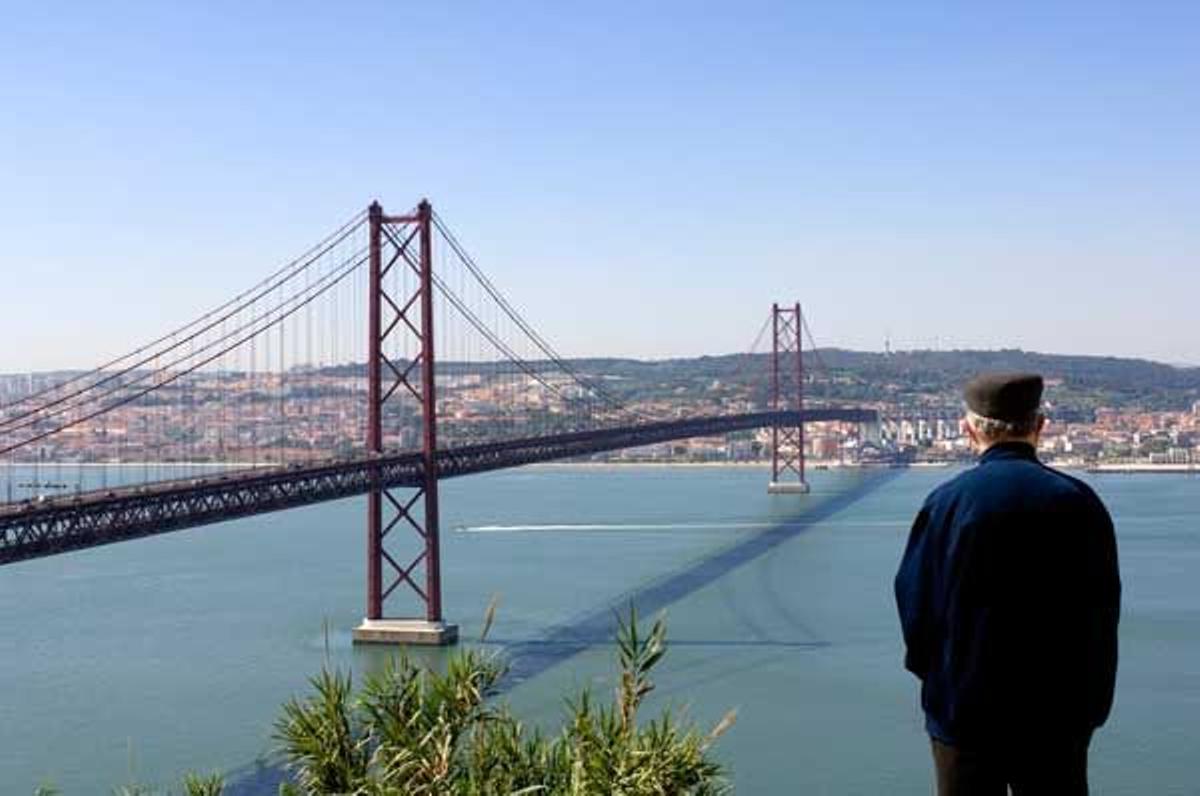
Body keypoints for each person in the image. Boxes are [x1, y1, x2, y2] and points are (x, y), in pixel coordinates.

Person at [894, 373, 1121, 795]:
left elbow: (915, 605)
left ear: (968, 429)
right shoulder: (1079, 502)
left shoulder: (946, 503)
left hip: (963, 710)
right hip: (1058, 715)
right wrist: (1089, 706)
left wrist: (940, 679)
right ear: (1040, 426)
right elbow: (1102, 613)